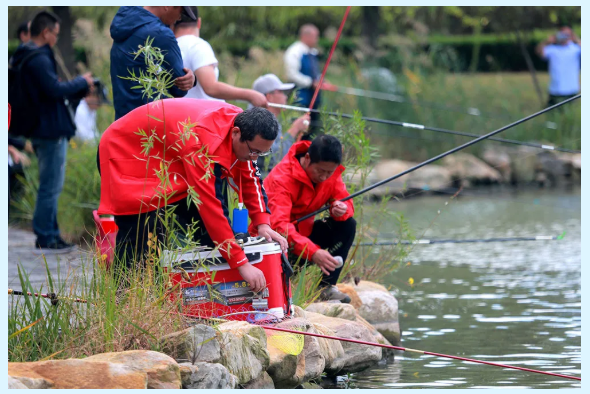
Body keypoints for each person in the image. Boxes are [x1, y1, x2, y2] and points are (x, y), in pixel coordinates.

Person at [98, 99, 288, 292]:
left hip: (169, 159)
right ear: (236, 133)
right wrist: (241, 263)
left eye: (262, 153)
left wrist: (263, 223)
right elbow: (210, 206)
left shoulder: (243, 126)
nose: (255, 158)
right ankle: (127, 302)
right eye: (254, 151)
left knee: (210, 236)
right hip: (128, 151)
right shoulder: (200, 145)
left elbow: (250, 177)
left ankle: (222, 296)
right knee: (142, 234)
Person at [11, 10, 94, 253]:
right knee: (51, 186)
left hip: (40, 129)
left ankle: (51, 234)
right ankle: (47, 236)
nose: (56, 39)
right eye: (55, 34)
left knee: (50, 184)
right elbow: (54, 90)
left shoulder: (25, 56)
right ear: (46, 32)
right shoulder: (38, 58)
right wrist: (81, 82)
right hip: (50, 132)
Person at [253, 135, 355, 303]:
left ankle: (326, 288)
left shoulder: (332, 174)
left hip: (303, 237)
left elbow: (346, 202)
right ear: (307, 158)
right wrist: (313, 252)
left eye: (329, 172)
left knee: (348, 224)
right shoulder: (282, 178)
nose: (324, 177)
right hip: (273, 242)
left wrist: (341, 209)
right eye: (320, 171)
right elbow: (279, 227)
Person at [109, 6, 197, 120]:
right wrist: (191, 79)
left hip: (122, 121)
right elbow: (179, 88)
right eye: (181, 11)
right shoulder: (161, 34)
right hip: (151, 125)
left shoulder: (124, 24)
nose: (180, 17)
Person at [173, 6, 267, 107]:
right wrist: (250, 95)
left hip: (182, 117)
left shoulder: (168, 48)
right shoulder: (197, 46)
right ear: (199, 22)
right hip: (204, 117)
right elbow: (210, 87)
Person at [284, 24, 336, 140]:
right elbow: (292, 74)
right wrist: (311, 83)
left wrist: (321, 80)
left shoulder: (312, 52)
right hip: (300, 99)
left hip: (314, 99)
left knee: (312, 131)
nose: (317, 39)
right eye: (315, 36)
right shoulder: (295, 51)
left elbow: (314, 72)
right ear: (305, 36)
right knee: (300, 132)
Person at [251, 73, 310, 173]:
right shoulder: (260, 123)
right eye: (281, 92)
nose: (286, 97)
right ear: (269, 97)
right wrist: (295, 129)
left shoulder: (269, 120)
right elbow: (275, 159)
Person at [536, 25, 581, 107]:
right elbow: (539, 52)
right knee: (551, 115)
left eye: (567, 34)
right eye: (562, 33)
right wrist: (547, 41)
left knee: (569, 114)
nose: (564, 36)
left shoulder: (575, 49)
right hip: (555, 89)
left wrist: (576, 39)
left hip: (571, 89)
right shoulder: (552, 49)